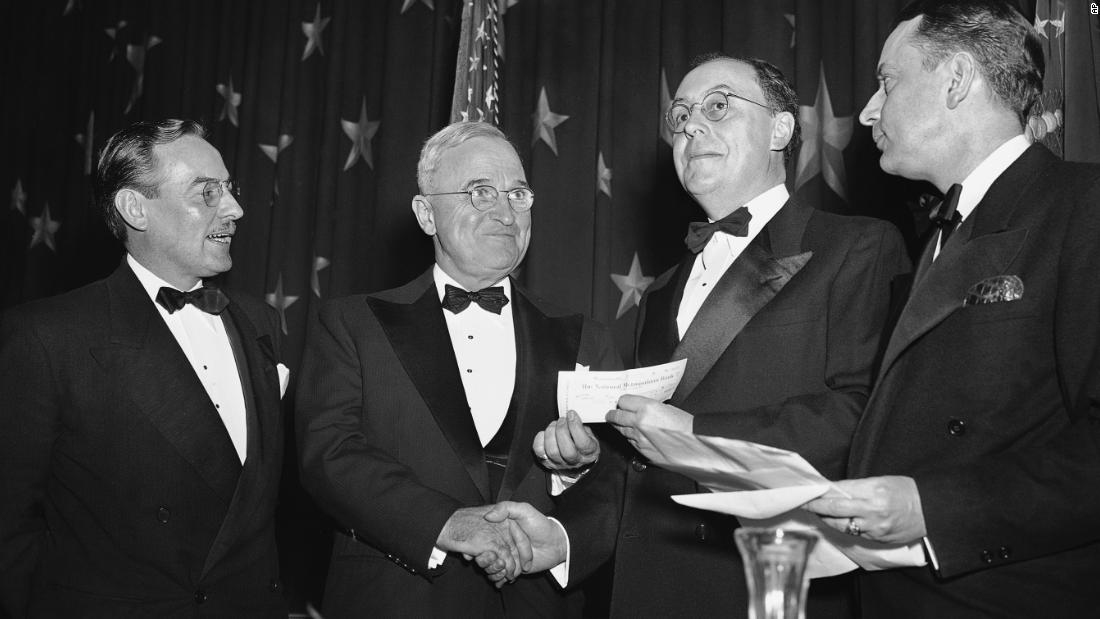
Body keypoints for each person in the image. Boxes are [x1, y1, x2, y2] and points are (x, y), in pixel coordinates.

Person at [489, 55, 910, 618]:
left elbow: (865, 419)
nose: (690, 127)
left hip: (770, 591)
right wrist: (564, 536)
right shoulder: (659, 293)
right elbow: (638, 471)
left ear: (780, 129)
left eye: (718, 107)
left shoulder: (857, 248)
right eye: (680, 115)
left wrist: (697, 435)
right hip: (648, 596)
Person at [799, 1, 1100, 616]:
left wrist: (933, 512)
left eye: (887, 81)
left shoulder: (1085, 209)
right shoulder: (940, 234)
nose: (868, 111)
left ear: (957, 79)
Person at [294, 121, 620, 618]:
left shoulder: (586, 336)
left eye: (517, 193)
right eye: (480, 192)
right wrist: (447, 523)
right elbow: (330, 457)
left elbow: (620, 482)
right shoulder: (350, 323)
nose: (506, 211)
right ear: (427, 214)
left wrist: (573, 484)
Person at [0, 119, 289, 617]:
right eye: (208, 192)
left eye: (230, 189)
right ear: (136, 208)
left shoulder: (257, 321)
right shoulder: (46, 337)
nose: (235, 209)